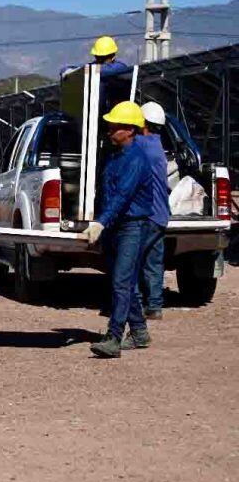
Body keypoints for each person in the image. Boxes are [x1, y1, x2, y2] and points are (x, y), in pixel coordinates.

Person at [83, 101, 166, 358]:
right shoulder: (114, 157)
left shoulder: (135, 159)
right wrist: (102, 221)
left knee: (121, 281)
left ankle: (114, 337)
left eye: (115, 127)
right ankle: (139, 332)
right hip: (117, 226)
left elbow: (123, 195)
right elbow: (106, 194)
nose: (110, 130)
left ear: (130, 130)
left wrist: (101, 222)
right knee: (124, 281)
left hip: (133, 226)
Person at [138, 101, 172, 321]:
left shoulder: (140, 145)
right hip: (161, 214)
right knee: (153, 261)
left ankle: (137, 303)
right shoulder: (158, 146)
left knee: (133, 259)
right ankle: (155, 306)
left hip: (145, 214)